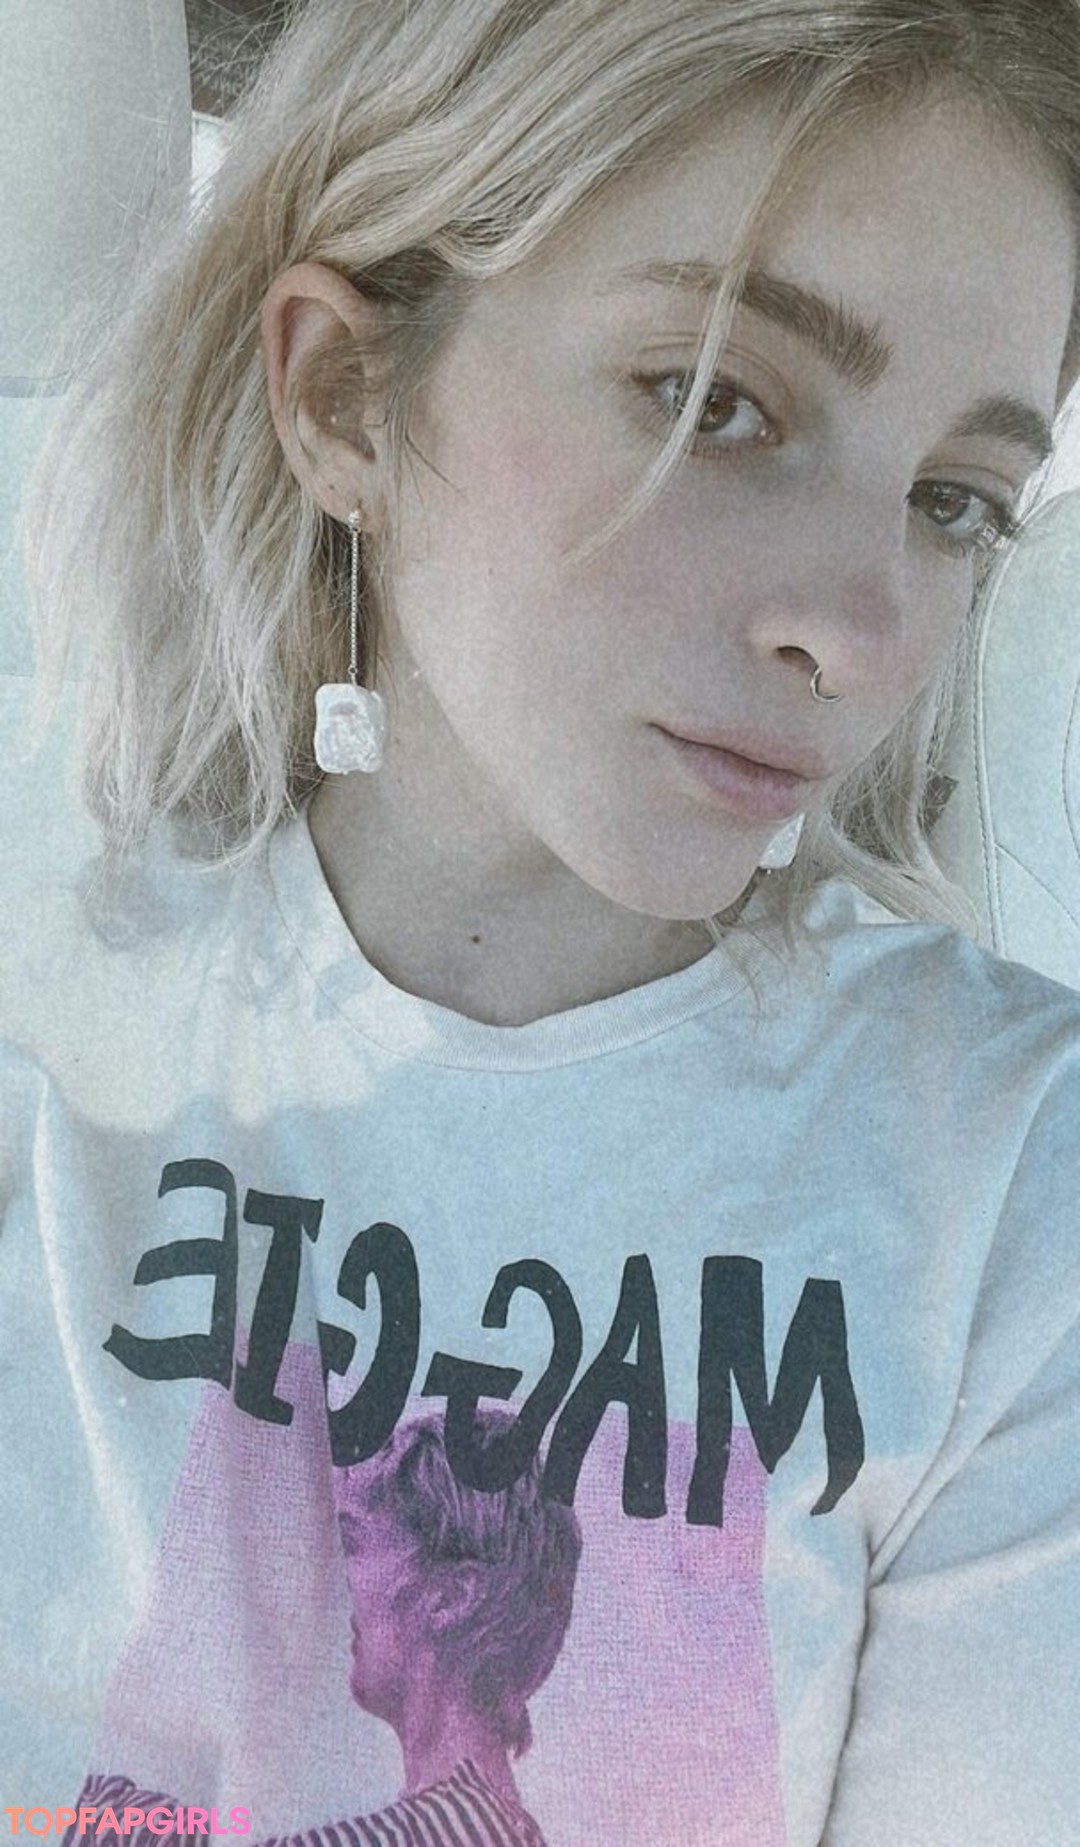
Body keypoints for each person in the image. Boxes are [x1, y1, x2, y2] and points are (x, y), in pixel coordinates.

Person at [4, 0, 1080, 1840]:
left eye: (954, 502)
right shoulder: (47, 1024)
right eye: (717, 401)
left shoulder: (1005, 1186)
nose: (860, 630)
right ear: (346, 398)